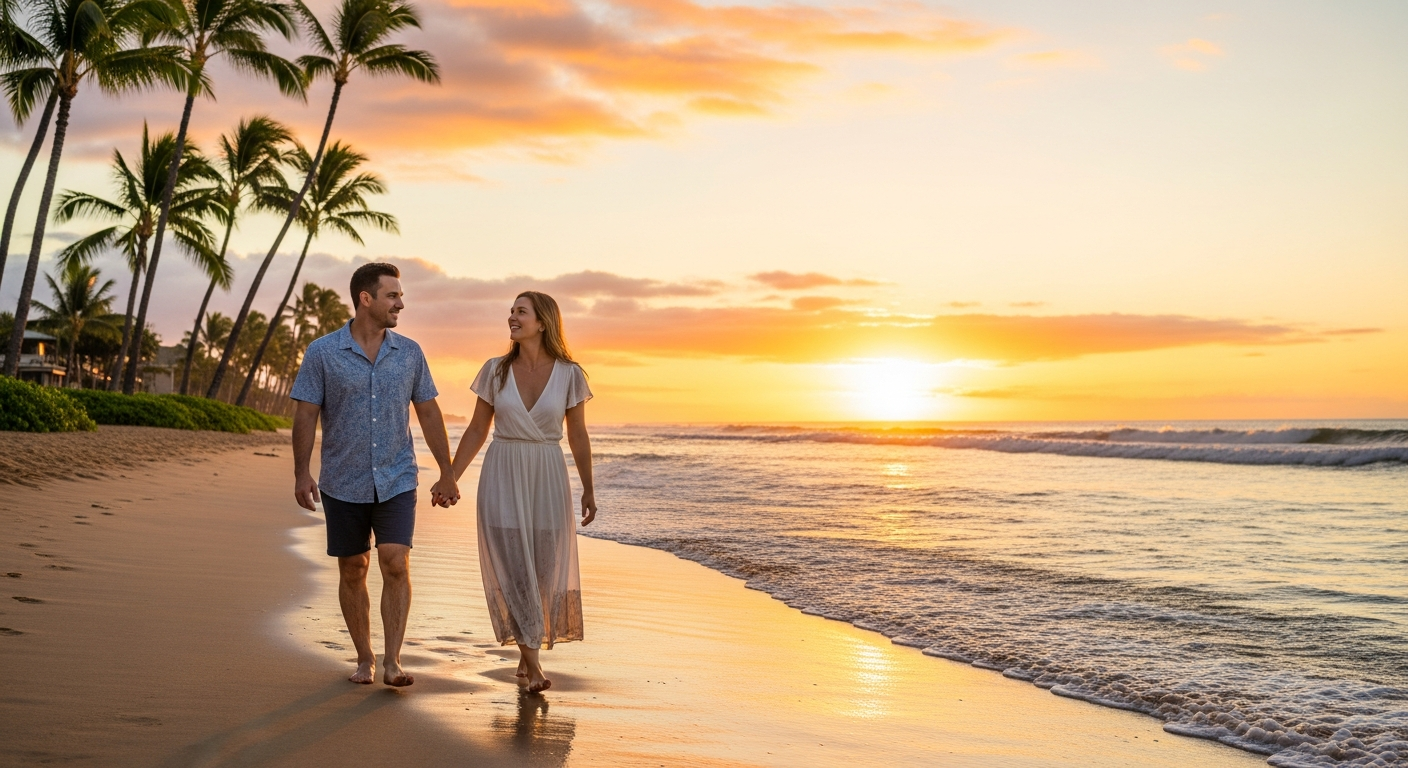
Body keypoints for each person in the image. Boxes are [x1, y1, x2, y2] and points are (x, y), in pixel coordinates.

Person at [290, 262, 460, 686]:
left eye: (400, 296)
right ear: (366, 299)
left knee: (394, 562)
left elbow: (428, 412)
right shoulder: (323, 353)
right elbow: (306, 414)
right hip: (341, 480)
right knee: (353, 568)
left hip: (397, 478)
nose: (400, 303)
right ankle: (364, 657)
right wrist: (301, 473)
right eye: (393, 296)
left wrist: (447, 471)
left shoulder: (410, 353)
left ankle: (393, 661)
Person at [450, 290, 596, 694]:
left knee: (545, 573)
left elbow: (578, 435)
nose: (511, 317)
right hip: (503, 471)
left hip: (548, 474)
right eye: (511, 311)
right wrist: (451, 476)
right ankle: (534, 667)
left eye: (520, 312)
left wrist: (588, 488)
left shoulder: (570, 373)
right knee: (515, 570)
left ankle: (524, 652)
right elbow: (478, 430)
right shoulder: (495, 371)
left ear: (543, 323)